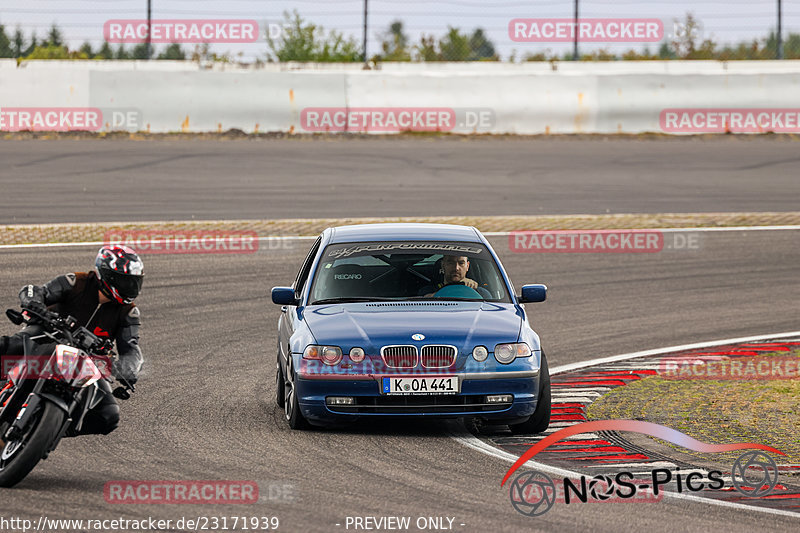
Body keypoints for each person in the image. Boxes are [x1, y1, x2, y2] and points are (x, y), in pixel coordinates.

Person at [0, 245, 144, 436]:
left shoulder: (128, 312)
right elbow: (34, 291)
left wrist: (128, 368)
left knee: (108, 415)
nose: (130, 288)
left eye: (134, 282)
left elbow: (131, 348)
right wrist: (35, 303)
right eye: (126, 281)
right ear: (107, 275)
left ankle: (45, 430)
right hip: (48, 335)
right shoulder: (76, 282)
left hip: (85, 361)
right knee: (8, 346)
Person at [419, 255, 491, 298]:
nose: (456, 268)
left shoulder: (481, 294)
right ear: (443, 265)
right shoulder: (427, 292)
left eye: (461, 263)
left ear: (467, 266)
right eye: (451, 263)